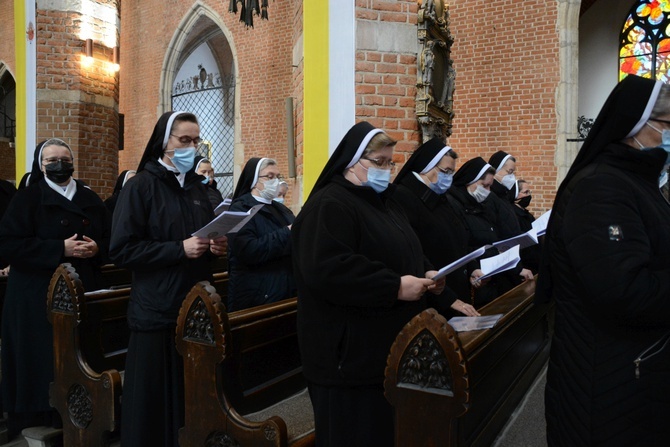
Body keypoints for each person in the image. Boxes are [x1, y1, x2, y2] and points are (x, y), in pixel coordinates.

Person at [292, 121, 444, 446]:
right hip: (347, 361)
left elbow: (406, 247)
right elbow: (329, 270)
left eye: (391, 163)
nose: (387, 170)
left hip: (383, 352)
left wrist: (427, 273)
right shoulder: (329, 205)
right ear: (352, 162)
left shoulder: (385, 202)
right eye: (380, 163)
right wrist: (395, 287)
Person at [538, 75, 670, 446]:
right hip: (609, 383)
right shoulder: (601, 188)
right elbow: (626, 291)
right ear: (636, 128)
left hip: (634, 374)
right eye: (668, 126)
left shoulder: (635, 183)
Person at [109, 111, 227, 447]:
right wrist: (179, 249)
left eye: (196, 141)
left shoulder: (199, 189)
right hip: (157, 310)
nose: (192, 147)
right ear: (165, 142)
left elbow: (202, 238)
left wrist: (216, 245)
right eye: (184, 140)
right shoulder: (141, 187)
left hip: (197, 308)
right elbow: (122, 250)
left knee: (190, 395)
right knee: (154, 402)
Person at [0, 138, 110, 439]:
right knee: (39, 358)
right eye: (51, 160)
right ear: (41, 164)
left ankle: (75, 412)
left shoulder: (88, 197)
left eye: (64, 158)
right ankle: (35, 416)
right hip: (35, 293)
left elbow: (112, 237)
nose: (59, 164)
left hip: (80, 288)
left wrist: (97, 248)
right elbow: (9, 244)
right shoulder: (28, 198)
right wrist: (59, 248)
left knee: (75, 352)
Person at [389, 137, 479, 317]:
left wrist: (472, 268)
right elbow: (412, 254)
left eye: (452, 173)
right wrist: (447, 297)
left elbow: (462, 238)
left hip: (455, 291)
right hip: (432, 298)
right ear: (425, 167)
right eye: (445, 171)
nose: (448, 178)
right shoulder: (401, 198)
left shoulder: (442, 197)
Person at [447, 157, 533, 307]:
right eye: (484, 186)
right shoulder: (455, 206)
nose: (488, 191)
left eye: (490, 186)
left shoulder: (482, 205)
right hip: (476, 280)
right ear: (470, 181)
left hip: (492, 278)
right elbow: (464, 245)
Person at [226, 157, 296, 311]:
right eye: (270, 177)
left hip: (285, 288)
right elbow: (249, 250)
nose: (275, 181)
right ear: (254, 180)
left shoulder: (282, 209)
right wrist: (288, 232)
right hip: (257, 294)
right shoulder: (240, 209)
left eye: (278, 177)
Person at [510, 179, 541, 273]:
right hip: (524, 263)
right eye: (525, 192)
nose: (528, 195)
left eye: (529, 192)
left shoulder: (528, 215)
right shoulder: (512, 214)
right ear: (515, 194)